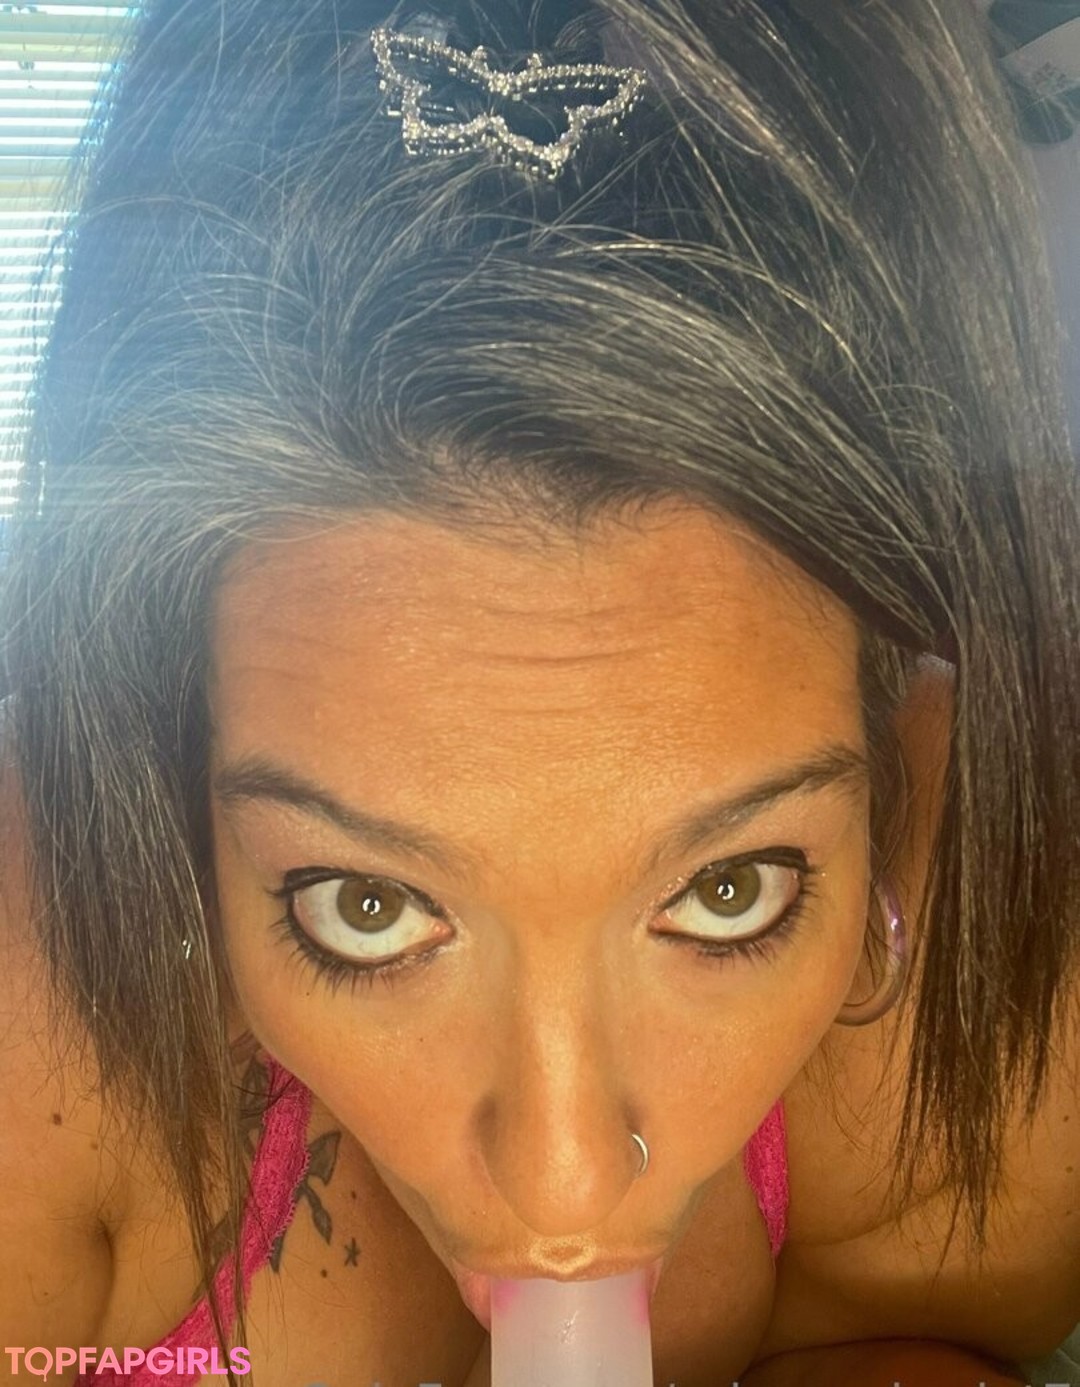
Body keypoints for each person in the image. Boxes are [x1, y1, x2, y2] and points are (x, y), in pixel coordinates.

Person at [1, 1, 1077, 1384]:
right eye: (365, 906)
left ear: (886, 735)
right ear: (180, 730)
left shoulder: (984, 978)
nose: (565, 1187)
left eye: (732, 890)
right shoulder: (41, 1023)